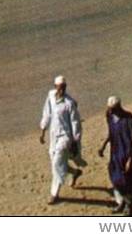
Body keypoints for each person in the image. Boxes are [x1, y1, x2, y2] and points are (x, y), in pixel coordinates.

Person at [98, 96, 132, 215]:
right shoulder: (110, 116)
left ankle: (129, 204)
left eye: (113, 108)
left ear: (119, 107)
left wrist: (130, 160)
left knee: (126, 180)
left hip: (127, 153)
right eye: (109, 108)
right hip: (116, 151)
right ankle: (123, 201)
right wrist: (103, 146)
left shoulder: (128, 117)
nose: (110, 110)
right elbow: (111, 132)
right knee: (115, 177)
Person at [39, 75, 85, 205]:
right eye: (59, 88)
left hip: (65, 137)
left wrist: (75, 141)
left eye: (64, 88)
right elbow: (46, 113)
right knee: (56, 162)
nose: (62, 90)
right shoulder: (51, 96)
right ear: (55, 87)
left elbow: (76, 123)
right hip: (53, 135)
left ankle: (54, 194)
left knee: (56, 164)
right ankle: (75, 172)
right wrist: (43, 131)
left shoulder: (69, 104)